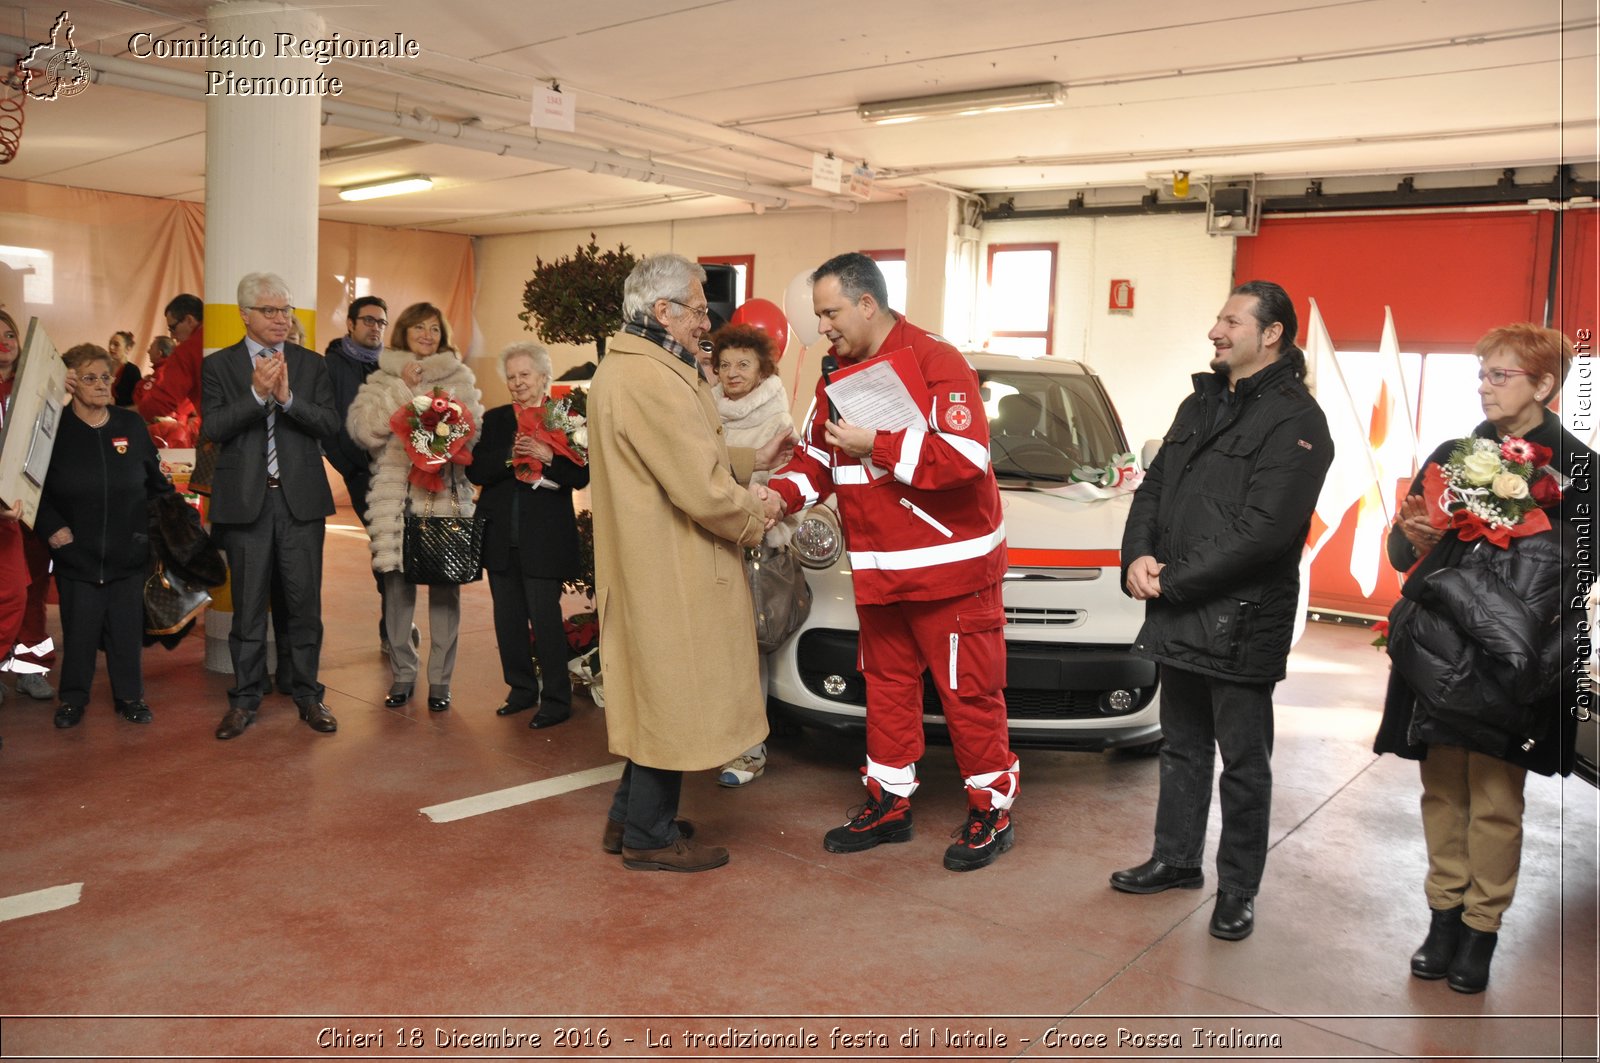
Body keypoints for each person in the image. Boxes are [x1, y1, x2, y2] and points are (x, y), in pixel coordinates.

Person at [761, 252, 1019, 872]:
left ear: (867, 304)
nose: (822, 325)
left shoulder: (937, 360)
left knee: (969, 694)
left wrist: (874, 442)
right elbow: (820, 462)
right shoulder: (836, 378)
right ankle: (889, 803)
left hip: (950, 573)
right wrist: (775, 495)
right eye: (819, 314)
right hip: (880, 570)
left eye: (830, 312)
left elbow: (965, 457)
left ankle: (992, 811)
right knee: (889, 690)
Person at [1110, 280, 1333, 940]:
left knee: (1243, 762)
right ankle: (1176, 860)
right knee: (1179, 748)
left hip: (1242, 618)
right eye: (1216, 318)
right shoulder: (1198, 404)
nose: (1215, 330)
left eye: (1231, 321)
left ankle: (1238, 887)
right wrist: (1136, 555)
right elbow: (1154, 488)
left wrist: (1171, 579)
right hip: (1179, 608)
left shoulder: (1297, 421)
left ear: (1271, 335)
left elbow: (1264, 532)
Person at [1375, 323, 1592, 994]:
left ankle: (1480, 929)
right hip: (1441, 652)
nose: (1485, 386)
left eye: (1500, 375)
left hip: (1512, 659)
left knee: (1497, 797)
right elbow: (1406, 551)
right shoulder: (1453, 453)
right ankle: (1441, 916)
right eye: (1482, 374)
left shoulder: (1581, 469)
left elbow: (1582, 572)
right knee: (1441, 787)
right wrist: (1410, 537)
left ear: (1544, 384)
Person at [591, 254, 774, 873]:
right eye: (698, 309)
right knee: (669, 697)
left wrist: (751, 460)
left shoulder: (643, 368)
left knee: (655, 697)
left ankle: (630, 819)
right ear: (662, 310)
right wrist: (755, 518)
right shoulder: (651, 378)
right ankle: (649, 837)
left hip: (654, 560)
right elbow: (697, 483)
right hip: (666, 566)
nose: (707, 321)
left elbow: (691, 450)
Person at [201, 273, 341, 740]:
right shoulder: (219, 366)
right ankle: (244, 700)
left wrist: (288, 399)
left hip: (299, 502)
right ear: (244, 314)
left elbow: (328, 424)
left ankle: (306, 693)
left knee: (304, 606)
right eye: (270, 311)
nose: (282, 319)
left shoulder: (310, 364)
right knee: (247, 609)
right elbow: (215, 428)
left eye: (286, 310)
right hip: (246, 505)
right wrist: (258, 396)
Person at [346, 301, 482, 713]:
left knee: (444, 592)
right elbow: (363, 430)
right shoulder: (383, 377)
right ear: (403, 332)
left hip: (442, 497)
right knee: (397, 591)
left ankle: (440, 681)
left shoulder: (460, 378)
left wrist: (447, 441)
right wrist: (401, 389)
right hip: (396, 499)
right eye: (418, 327)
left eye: (434, 328)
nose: (426, 334)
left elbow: (473, 433)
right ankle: (403, 674)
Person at [31, 343, 174, 728]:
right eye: (90, 378)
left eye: (105, 377)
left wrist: (163, 523)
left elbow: (155, 481)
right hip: (76, 550)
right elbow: (34, 487)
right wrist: (51, 526)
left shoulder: (129, 426)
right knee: (79, 631)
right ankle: (73, 700)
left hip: (129, 550)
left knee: (126, 632)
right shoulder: (54, 428)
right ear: (72, 382)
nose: (100, 385)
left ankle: (130, 697)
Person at [468, 342, 589, 728]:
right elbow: (477, 472)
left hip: (545, 536)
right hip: (501, 535)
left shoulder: (565, 417)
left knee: (546, 618)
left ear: (543, 377)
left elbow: (581, 476)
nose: (518, 383)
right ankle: (521, 690)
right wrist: (513, 457)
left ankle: (556, 699)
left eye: (525, 375)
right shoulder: (497, 418)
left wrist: (548, 456)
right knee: (508, 618)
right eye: (512, 377)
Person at [708, 323, 794, 787]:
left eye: (743, 363)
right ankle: (713, 740)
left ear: (764, 369)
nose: (732, 372)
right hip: (706, 544)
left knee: (747, 652)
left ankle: (749, 751)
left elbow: (784, 494)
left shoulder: (779, 421)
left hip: (753, 547)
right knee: (711, 649)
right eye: (724, 364)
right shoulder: (705, 413)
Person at [323, 295, 411, 658]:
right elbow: (329, 423)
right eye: (369, 320)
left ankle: (396, 623)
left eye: (381, 322)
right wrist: (352, 466)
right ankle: (392, 626)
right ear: (351, 324)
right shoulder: (331, 364)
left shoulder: (393, 365)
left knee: (401, 546)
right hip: (362, 472)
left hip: (400, 469)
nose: (376, 327)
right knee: (385, 544)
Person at [0, 308, 57, 705]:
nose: (4, 344)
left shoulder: (35, 389)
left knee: (31, 591)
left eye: (9, 335)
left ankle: (30, 667)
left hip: (31, 507)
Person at [136, 294, 203, 426]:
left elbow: (161, 403)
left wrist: (124, 414)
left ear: (190, 320)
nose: (172, 336)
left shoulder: (187, 351)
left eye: (172, 328)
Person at [107, 330, 142, 407]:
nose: (111, 347)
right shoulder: (104, 368)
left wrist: (115, 404)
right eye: (110, 343)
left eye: (116, 344)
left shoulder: (133, 371)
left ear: (128, 349)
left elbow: (136, 401)